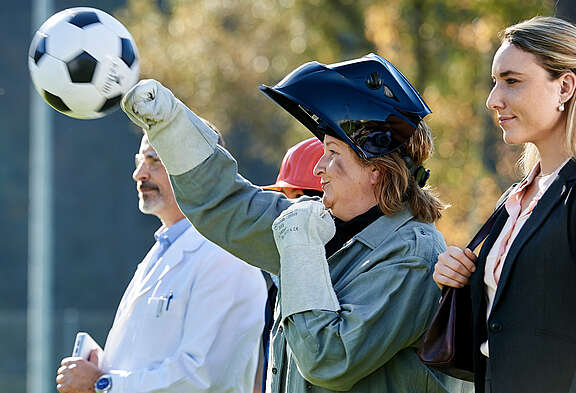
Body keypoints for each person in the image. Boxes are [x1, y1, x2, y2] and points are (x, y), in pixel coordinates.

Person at [121, 53, 472, 393]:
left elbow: (328, 359)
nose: (319, 170)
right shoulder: (318, 223)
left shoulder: (413, 256)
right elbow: (227, 205)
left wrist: (300, 250)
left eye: (333, 155)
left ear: (376, 171)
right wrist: (170, 125)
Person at [55, 134, 267, 393]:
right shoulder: (162, 251)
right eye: (140, 160)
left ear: (198, 168)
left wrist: (100, 384)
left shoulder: (226, 255)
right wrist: (104, 369)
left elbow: (201, 378)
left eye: (154, 160)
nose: (139, 173)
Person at [432, 16, 576, 393]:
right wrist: (462, 280)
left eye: (512, 81)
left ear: (564, 87)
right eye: (495, 82)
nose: (493, 100)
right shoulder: (514, 198)